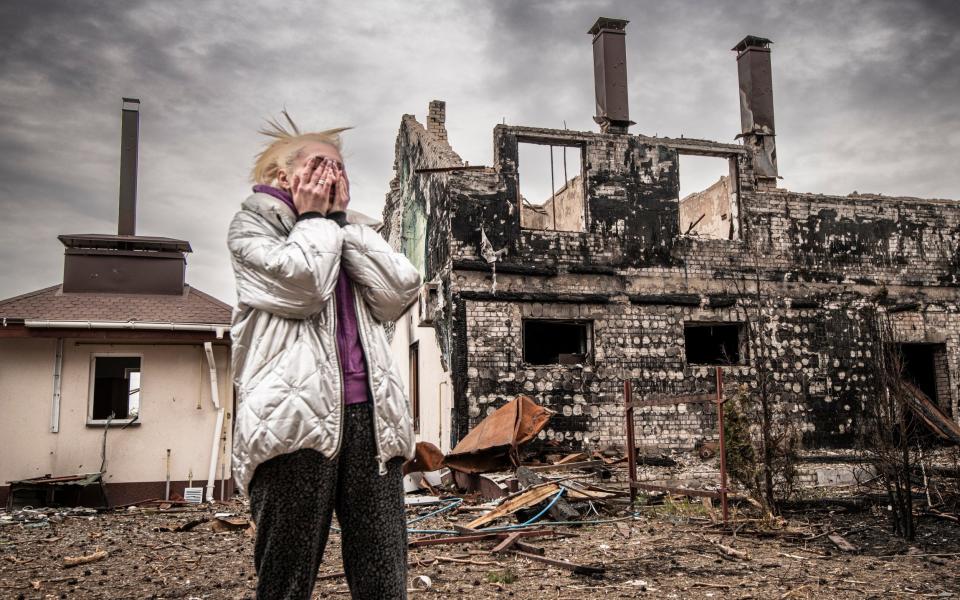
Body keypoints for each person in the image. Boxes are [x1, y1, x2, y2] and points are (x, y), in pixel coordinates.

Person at [227, 113, 420, 600]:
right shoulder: (250, 229)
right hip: (293, 419)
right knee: (287, 577)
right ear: (281, 177)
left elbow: (399, 290)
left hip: (373, 420)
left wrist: (338, 224)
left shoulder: (348, 230)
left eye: (339, 168)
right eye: (319, 165)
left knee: (383, 574)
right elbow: (304, 285)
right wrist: (315, 220)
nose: (332, 176)